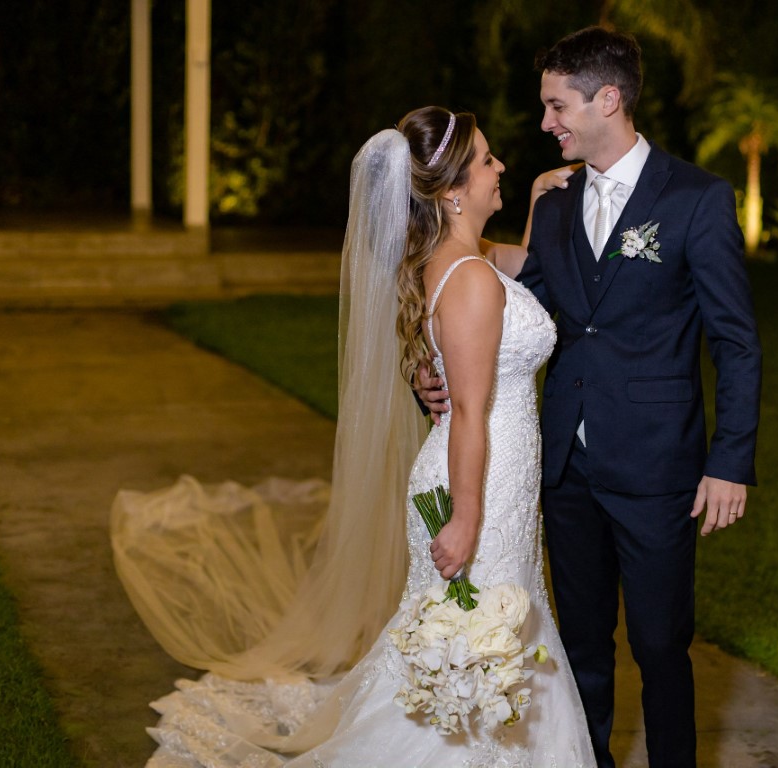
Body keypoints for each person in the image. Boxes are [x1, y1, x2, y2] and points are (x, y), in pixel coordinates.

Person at [111, 106, 597, 767]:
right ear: (452, 192)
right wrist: (465, 519)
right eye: (487, 160)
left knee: (485, 636)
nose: (500, 167)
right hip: (475, 481)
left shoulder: (466, 260)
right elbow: (470, 410)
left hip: (492, 474)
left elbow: (532, 269)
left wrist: (538, 198)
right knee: (477, 637)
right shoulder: (472, 279)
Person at [419, 26, 762, 768]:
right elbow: (527, 312)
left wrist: (730, 461)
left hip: (657, 467)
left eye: (556, 106)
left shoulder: (696, 199)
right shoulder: (557, 202)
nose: (546, 123)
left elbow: (736, 342)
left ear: (608, 99)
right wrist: (439, 368)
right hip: (565, 471)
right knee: (578, 647)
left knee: (660, 645)